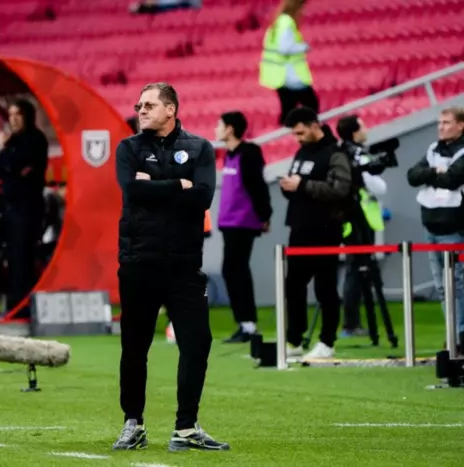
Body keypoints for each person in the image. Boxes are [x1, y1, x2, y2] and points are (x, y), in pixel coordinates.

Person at [113, 82, 228, 452]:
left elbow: (203, 196)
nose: (141, 110)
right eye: (139, 105)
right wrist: (179, 184)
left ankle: (186, 428)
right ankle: (133, 423)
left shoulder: (200, 147)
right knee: (135, 346)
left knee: (197, 342)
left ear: (171, 109)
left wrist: (157, 187)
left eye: (149, 105)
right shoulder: (128, 148)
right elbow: (133, 191)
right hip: (138, 261)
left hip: (183, 264)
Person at [279, 107, 351, 360]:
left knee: (325, 287)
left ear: (314, 125)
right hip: (299, 227)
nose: (297, 138)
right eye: (294, 134)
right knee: (293, 286)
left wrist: (303, 185)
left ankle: (327, 342)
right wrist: (288, 186)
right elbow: (298, 185)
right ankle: (294, 340)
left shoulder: (335, 153)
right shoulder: (301, 152)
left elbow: (340, 189)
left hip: (325, 229)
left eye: (300, 132)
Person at [407, 107, 464, 353]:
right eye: (439, 122)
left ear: (461, 125)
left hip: (453, 226)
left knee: (457, 285)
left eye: (446, 123)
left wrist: (431, 175)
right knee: (442, 287)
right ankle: (453, 334)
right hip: (431, 225)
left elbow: (453, 179)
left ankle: (461, 335)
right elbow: (412, 176)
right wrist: (434, 172)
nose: (441, 127)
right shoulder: (433, 149)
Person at [215, 111, 272, 343]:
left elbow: (258, 186)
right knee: (233, 271)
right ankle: (245, 323)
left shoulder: (248, 153)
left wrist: (265, 215)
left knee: (235, 271)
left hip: (242, 222)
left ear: (230, 129)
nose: (216, 129)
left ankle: (248, 325)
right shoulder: (229, 155)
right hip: (230, 223)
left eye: (219, 125)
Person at [0, 99, 49, 317]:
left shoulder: (36, 139)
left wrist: (9, 160)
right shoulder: (11, 141)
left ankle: (23, 306)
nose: (13, 119)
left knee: (24, 255)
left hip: (27, 207)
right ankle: (14, 304)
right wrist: (8, 158)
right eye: (10, 115)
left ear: (28, 116)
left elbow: (17, 167)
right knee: (12, 257)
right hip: (10, 207)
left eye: (18, 114)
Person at [336, 115, 389, 337]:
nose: (366, 129)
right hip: (360, 218)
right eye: (363, 126)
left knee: (356, 269)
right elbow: (378, 187)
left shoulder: (340, 153)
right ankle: (351, 324)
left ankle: (353, 322)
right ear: (354, 132)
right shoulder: (357, 154)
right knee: (357, 270)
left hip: (349, 218)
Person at [259, 0, 319, 125]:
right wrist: (303, 47)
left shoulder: (278, 21)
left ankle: (286, 131)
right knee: (311, 105)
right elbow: (285, 48)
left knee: (288, 109)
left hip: (278, 75)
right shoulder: (287, 22)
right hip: (289, 74)